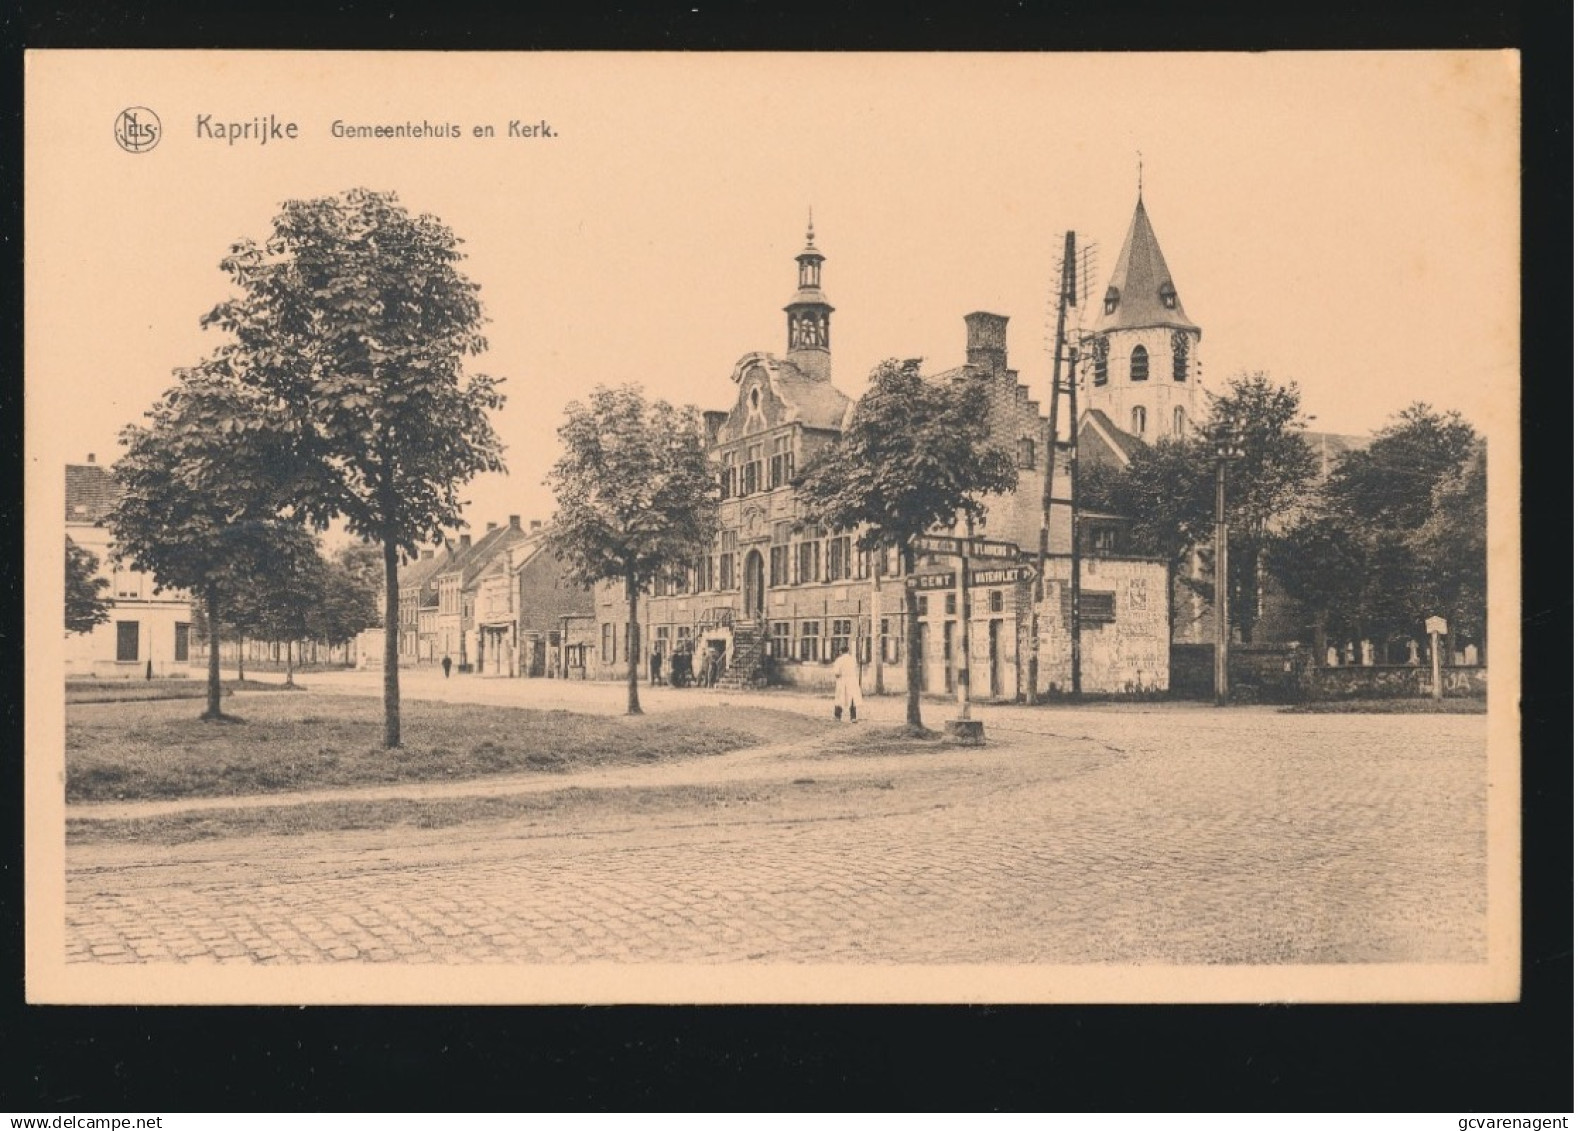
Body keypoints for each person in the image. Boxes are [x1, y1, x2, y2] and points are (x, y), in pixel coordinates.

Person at [830, 646, 863, 722]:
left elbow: (837, 673)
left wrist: (839, 676)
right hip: (852, 681)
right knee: (852, 698)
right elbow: (855, 670)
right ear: (848, 651)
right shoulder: (853, 660)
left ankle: (837, 716)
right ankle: (853, 717)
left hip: (842, 681)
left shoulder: (839, 660)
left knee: (840, 698)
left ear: (841, 652)